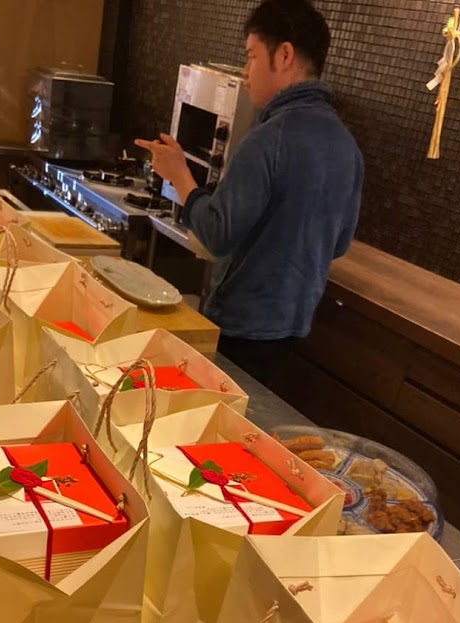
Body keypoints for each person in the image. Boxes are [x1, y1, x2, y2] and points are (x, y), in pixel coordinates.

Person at [135, 0, 364, 393]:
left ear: (285, 55)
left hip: (242, 324)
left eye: (252, 56)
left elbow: (216, 235)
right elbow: (339, 243)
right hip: (292, 326)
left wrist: (179, 175)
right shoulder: (347, 146)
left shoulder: (268, 139)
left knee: (214, 413)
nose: (245, 71)